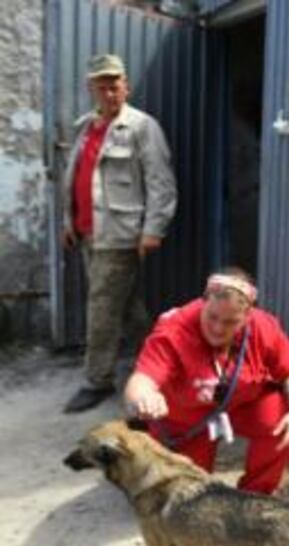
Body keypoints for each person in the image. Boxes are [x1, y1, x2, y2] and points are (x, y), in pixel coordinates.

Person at [124, 269, 289, 495]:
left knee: (284, 419)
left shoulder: (263, 327)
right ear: (203, 303)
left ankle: (255, 494)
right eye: (212, 317)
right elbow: (142, 379)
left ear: (248, 315)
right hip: (186, 418)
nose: (218, 328)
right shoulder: (174, 329)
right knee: (187, 493)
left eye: (231, 321)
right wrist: (145, 397)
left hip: (243, 403)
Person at [62, 53, 178, 413]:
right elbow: (76, 179)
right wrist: (69, 223)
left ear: (125, 86)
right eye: (102, 85)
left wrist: (153, 229)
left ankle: (97, 380)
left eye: (115, 84)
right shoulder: (84, 127)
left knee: (102, 307)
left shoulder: (143, 127)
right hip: (87, 233)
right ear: (91, 89)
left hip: (121, 234)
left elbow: (161, 182)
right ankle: (162, 363)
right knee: (124, 306)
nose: (109, 92)